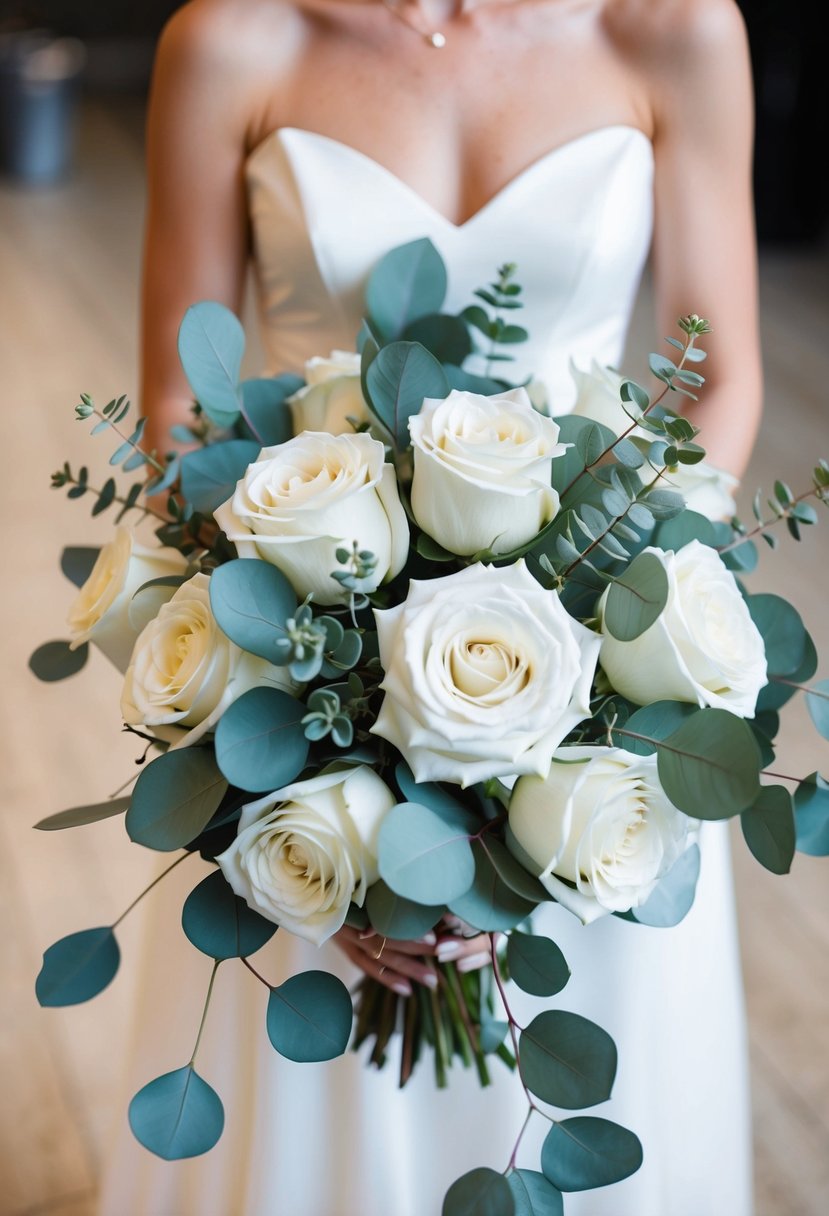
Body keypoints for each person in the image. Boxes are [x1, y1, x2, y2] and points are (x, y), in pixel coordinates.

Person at [100, 1, 761, 1213]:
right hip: (311, 675)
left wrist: (591, 679)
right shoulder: (232, 40)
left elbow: (713, 377)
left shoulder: (671, 30)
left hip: (599, 675)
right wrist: (307, 787)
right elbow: (176, 414)